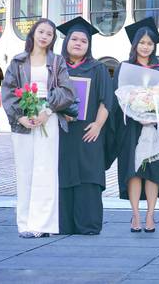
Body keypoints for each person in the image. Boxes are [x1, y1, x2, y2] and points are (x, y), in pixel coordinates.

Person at [1, 18, 75, 237]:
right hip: (23, 120)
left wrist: (47, 111)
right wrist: (20, 117)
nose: (44, 36)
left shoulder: (57, 61)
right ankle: (25, 224)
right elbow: (8, 92)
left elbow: (67, 91)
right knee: (25, 170)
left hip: (48, 118)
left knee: (46, 170)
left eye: (49, 34)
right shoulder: (18, 61)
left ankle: (43, 225)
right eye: (41, 31)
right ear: (33, 33)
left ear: (53, 38)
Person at [112, 17, 159, 233]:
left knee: (153, 171)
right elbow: (117, 97)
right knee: (134, 170)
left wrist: (156, 114)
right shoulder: (125, 68)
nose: (146, 47)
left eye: (149, 43)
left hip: (156, 126)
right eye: (142, 43)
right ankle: (136, 214)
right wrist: (135, 113)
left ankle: (150, 215)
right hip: (131, 127)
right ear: (135, 44)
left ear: (154, 46)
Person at [56, 17, 114, 235]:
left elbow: (106, 100)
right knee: (62, 172)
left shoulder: (97, 68)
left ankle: (87, 224)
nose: (78, 43)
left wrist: (98, 125)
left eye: (83, 41)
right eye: (75, 39)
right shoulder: (56, 66)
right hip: (61, 131)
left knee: (88, 173)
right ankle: (63, 224)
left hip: (89, 131)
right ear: (66, 41)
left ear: (89, 45)